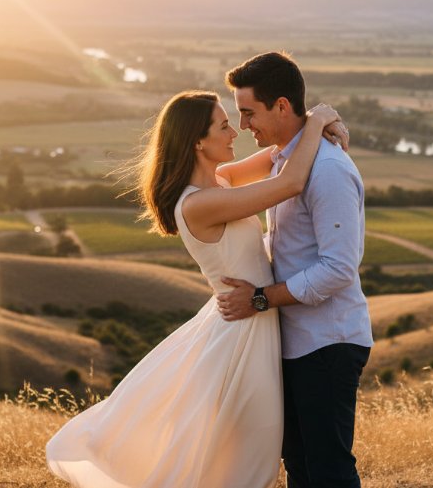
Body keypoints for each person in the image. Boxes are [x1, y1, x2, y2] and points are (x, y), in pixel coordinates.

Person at [46, 89, 348, 488]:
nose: (234, 132)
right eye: (223, 126)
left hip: (252, 322)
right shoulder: (198, 205)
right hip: (241, 335)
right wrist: (319, 117)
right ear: (197, 141)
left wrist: (322, 123)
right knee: (245, 460)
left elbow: (281, 155)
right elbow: (291, 181)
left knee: (246, 456)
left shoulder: (220, 181)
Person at [216, 51, 373, 488]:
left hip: (328, 340)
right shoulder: (285, 160)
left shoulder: (327, 170)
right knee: (301, 465)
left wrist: (261, 298)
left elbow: (338, 269)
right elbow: (223, 175)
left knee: (329, 470)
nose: (244, 125)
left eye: (249, 113)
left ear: (281, 106)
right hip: (294, 342)